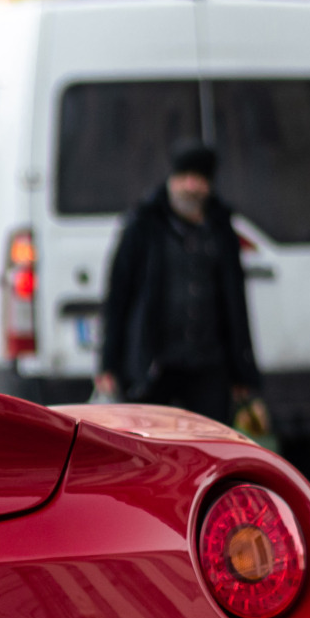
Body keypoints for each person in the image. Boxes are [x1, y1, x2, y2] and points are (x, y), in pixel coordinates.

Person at [95, 141, 260, 424]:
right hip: (153, 363)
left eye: (198, 179)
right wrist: (108, 363)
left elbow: (235, 304)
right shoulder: (143, 226)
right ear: (172, 180)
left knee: (210, 443)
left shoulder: (221, 231)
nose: (190, 186)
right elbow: (118, 296)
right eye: (184, 178)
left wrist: (243, 370)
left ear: (208, 185)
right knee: (147, 445)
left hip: (208, 364)